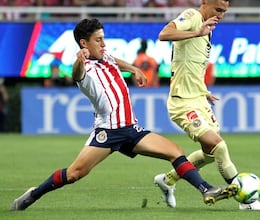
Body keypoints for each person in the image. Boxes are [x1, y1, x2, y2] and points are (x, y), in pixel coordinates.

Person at [10, 18, 238, 211]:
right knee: (74, 174)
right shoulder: (85, 70)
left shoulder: (105, 55)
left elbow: (113, 59)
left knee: (175, 152)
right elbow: (77, 73)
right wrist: (79, 61)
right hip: (108, 133)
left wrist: (134, 69)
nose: (103, 43)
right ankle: (34, 194)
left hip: (132, 129)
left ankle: (207, 189)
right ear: (84, 43)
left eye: (102, 38)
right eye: (98, 39)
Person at [153, 0, 260, 210]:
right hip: (182, 103)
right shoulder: (192, 16)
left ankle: (167, 180)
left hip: (198, 98)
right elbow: (164, 34)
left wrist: (203, 90)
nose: (221, 15)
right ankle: (247, 200)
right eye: (218, 9)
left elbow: (189, 64)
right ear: (204, 3)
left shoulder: (208, 27)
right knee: (219, 146)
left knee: (209, 154)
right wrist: (196, 32)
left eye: (225, 11)